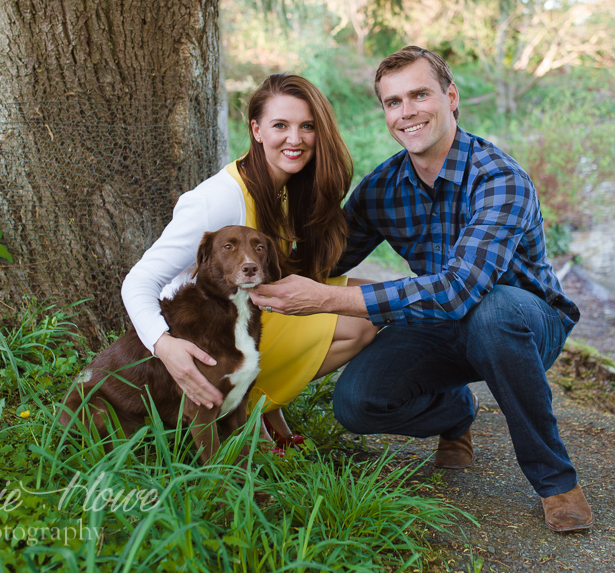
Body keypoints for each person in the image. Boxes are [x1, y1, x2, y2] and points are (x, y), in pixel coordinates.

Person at [249, 46, 594, 532]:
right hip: (440, 326)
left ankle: (557, 483)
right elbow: (322, 259)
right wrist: (256, 221)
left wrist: (330, 300)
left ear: (450, 97)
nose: (406, 112)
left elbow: (458, 291)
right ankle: (457, 413)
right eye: (393, 102)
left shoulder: (498, 178)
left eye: (419, 95)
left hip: (524, 322)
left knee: (492, 313)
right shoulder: (384, 186)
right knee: (356, 402)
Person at [121, 74, 378, 444]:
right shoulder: (218, 199)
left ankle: (262, 409)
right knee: (360, 323)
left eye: (307, 126)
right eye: (280, 126)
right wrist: (165, 346)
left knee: (366, 302)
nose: (296, 138)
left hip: (245, 315)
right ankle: (240, 406)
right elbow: (140, 280)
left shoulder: (286, 188)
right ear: (256, 130)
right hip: (207, 337)